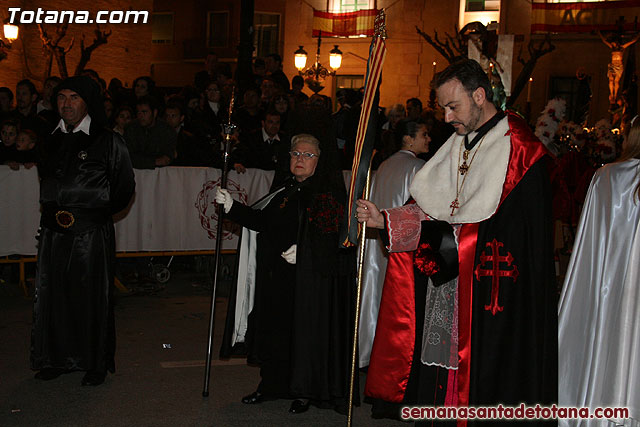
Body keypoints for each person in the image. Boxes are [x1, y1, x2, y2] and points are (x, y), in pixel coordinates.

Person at [355, 59, 557, 423]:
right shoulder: (458, 143)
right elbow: (430, 209)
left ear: (479, 95)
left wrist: (463, 241)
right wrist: (384, 220)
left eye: (454, 106)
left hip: (494, 292)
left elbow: (523, 237)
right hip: (451, 283)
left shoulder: (520, 149)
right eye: (443, 108)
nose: (447, 118)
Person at [216, 133, 356, 414]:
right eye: (295, 154)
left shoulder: (327, 194)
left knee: (302, 335)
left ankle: (304, 391)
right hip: (276, 277)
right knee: (274, 332)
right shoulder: (284, 190)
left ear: (319, 161)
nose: (300, 159)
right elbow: (262, 222)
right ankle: (271, 386)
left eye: (307, 155)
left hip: (308, 281)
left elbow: (335, 238)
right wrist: (232, 207)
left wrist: (304, 251)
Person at [31, 75, 135, 386]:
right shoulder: (49, 139)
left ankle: (94, 362)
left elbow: (124, 188)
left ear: (86, 101)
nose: (66, 103)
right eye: (61, 97)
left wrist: (94, 215)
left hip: (90, 233)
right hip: (53, 233)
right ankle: (57, 359)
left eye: (73, 97)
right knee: (55, 295)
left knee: (92, 297)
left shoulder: (108, 140)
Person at [558, 117, 640, 427]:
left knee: (609, 338)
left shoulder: (608, 177)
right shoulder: (606, 177)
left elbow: (590, 248)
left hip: (612, 286)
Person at [358, 119, 429, 368]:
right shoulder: (418, 167)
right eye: (424, 134)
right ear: (408, 139)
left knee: (376, 292)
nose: (428, 139)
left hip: (379, 239)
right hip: (402, 241)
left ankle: (370, 351)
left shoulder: (386, 165)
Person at [124, 96, 177, 169]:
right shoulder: (131, 128)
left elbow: (167, 158)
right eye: (138, 112)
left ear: (154, 113)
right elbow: (128, 157)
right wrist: (154, 162)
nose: (141, 116)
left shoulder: (166, 130)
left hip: (160, 174)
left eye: (144, 112)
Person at [598, 30, 640, 105]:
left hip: (618, 66)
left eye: (614, 43)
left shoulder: (622, 48)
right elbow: (605, 41)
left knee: (616, 81)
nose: (613, 44)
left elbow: (631, 42)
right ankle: (612, 95)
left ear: (616, 44)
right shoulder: (612, 48)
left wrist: (637, 37)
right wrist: (599, 34)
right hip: (612, 65)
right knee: (611, 81)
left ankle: (615, 95)